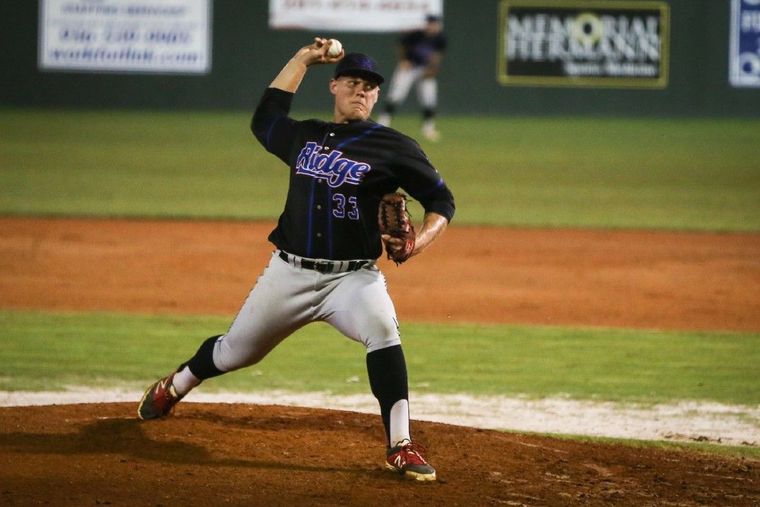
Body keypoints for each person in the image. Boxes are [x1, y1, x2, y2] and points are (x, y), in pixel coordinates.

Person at [137, 38, 455, 482]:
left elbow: (442, 199)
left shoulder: (394, 147)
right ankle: (178, 384)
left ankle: (400, 444)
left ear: (378, 95)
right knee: (234, 353)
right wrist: (303, 58)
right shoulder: (304, 134)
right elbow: (265, 119)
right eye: (353, 82)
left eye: (370, 86)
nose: (361, 91)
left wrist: (420, 240)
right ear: (335, 87)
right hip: (289, 272)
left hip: (353, 280)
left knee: (383, 333)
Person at [377, 14, 447, 142]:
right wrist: (403, 60)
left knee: (429, 98)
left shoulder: (440, 38)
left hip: (424, 69)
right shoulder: (416, 35)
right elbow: (401, 45)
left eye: (435, 24)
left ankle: (428, 128)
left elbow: (437, 55)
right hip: (409, 67)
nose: (432, 27)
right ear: (427, 24)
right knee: (396, 95)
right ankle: (383, 123)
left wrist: (433, 69)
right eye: (430, 24)